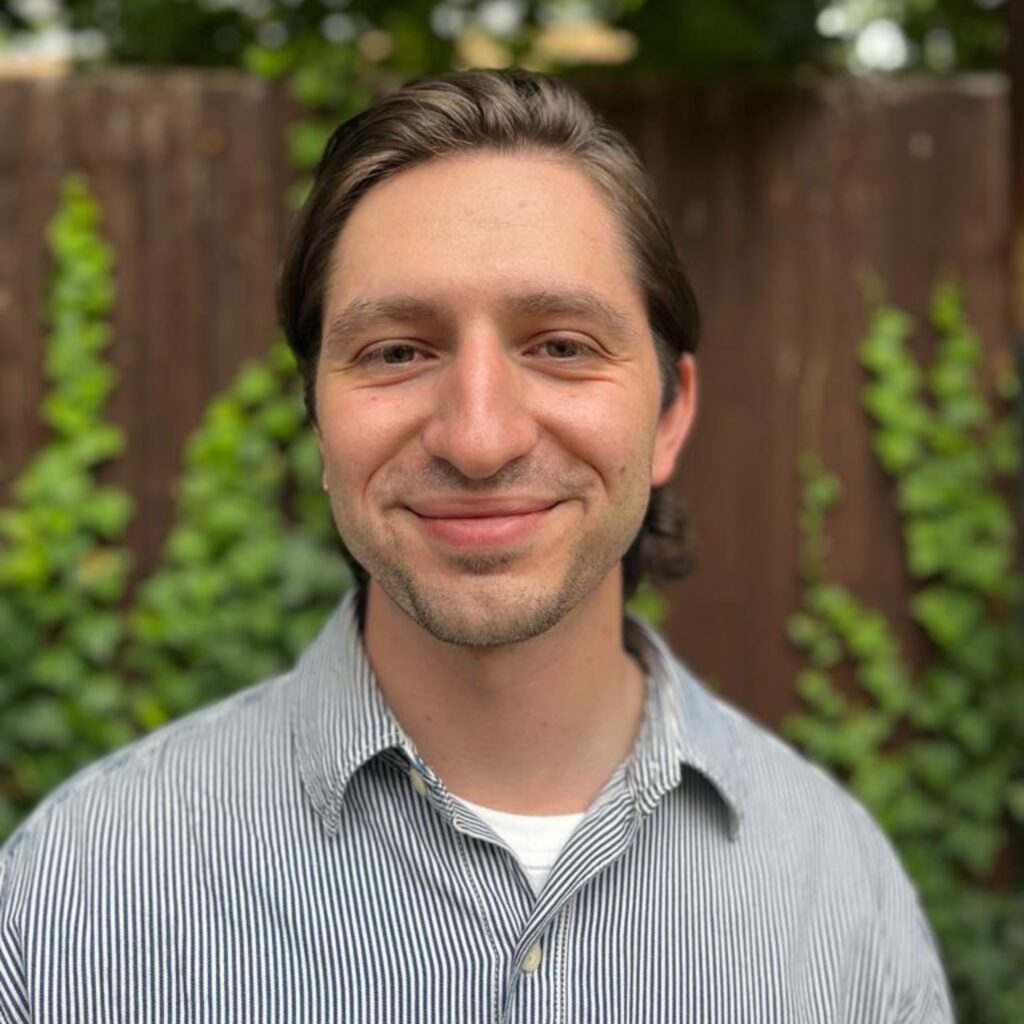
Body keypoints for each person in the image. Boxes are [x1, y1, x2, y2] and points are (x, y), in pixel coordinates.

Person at [0, 69, 953, 1022]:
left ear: (669, 414)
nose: (480, 438)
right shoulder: (74, 894)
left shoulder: (844, 893)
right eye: (397, 351)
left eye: (562, 346)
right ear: (317, 422)